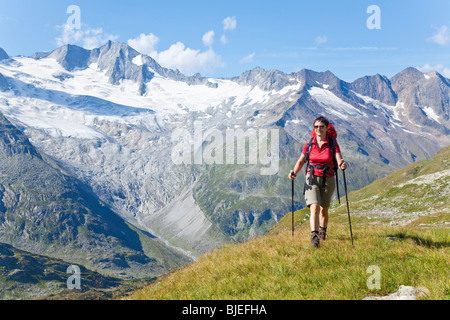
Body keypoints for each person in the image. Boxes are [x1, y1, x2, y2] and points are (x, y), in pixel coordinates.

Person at [289, 116, 347, 248]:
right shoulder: (310, 143)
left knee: (324, 210)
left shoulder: (332, 143)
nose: (318, 129)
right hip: (312, 177)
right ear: (313, 129)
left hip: (328, 178)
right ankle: (314, 237)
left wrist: (342, 164)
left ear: (327, 128)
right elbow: (301, 160)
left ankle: (322, 231)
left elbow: (338, 158)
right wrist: (294, 172)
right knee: (314, 207)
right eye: (316, 127)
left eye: (321, 127)